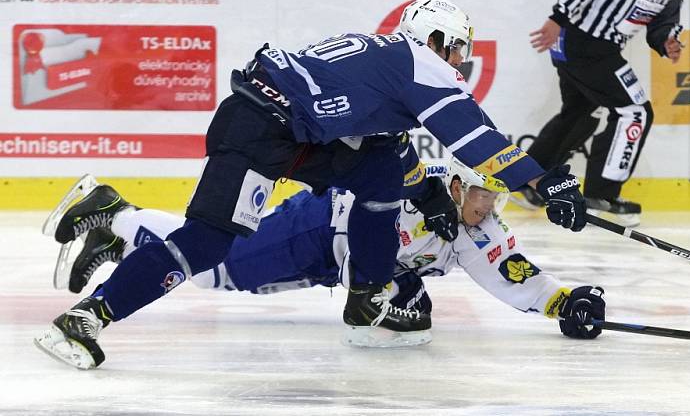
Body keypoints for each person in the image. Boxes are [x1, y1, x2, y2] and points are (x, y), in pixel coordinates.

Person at [35, 0, 589, 370]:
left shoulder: (382, 61)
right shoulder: (420, 62)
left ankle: (365, 297)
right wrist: (547, 183)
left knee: (380, 178)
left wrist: (424, 195)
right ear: (435, 37)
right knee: (209, 246)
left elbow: (387, 149)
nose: (460, 63)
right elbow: (475, 140)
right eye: (458, 49)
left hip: (296, 132)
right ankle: (88, 315)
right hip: (264, 129)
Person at [41, 160, 605, 357]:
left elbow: (515, 276)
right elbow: (392, 185)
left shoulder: (479, 231)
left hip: (328, 262)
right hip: (314, 230)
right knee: (216, 270)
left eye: (495, 199)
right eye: (481, 196)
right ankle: (113, 212)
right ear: (457, 186)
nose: (487, 209)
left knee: (217, 268)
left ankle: (117, 237)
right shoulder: (423, 188)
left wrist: (566, 300)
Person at [521, 0, 690, 226]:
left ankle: (527, 178)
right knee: (635, 111)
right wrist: (557, 18)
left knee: (579, 109)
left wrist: (666, 40)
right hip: (585, 43)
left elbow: (664, 16)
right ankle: (600, 195)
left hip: (586, 44)